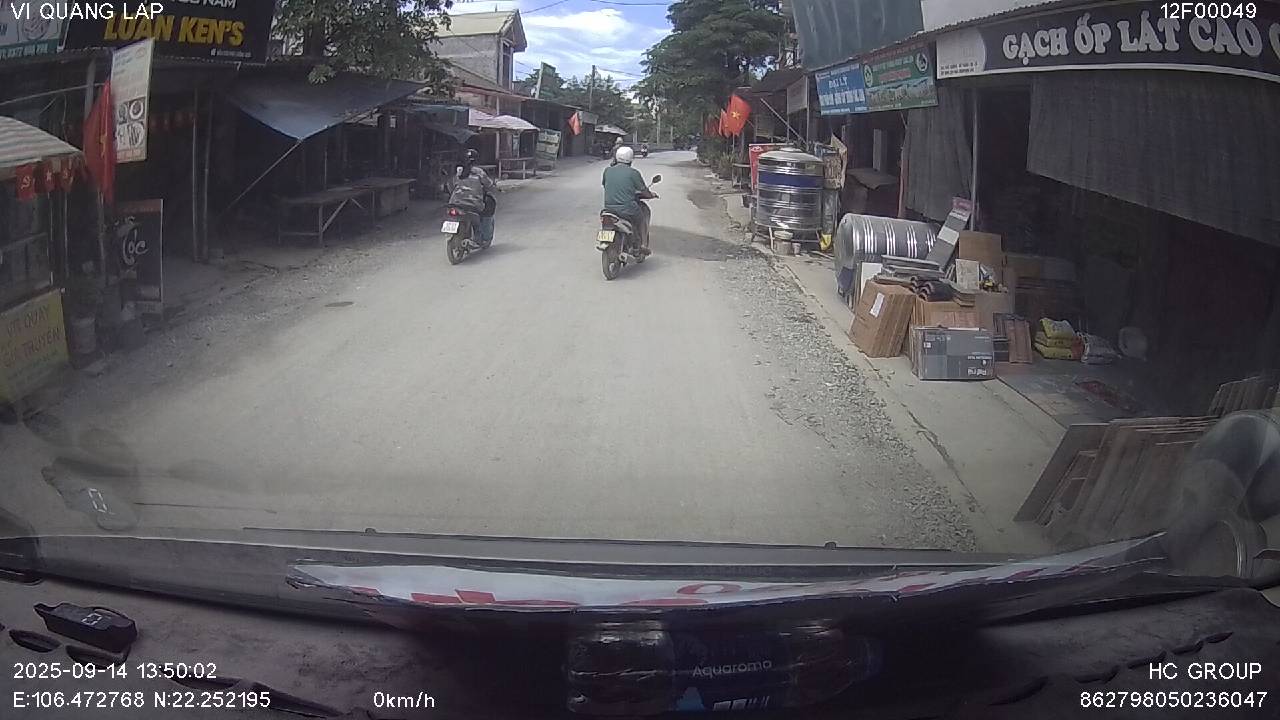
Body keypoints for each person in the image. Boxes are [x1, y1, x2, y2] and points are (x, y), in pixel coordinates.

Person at [601, 146, 656, 256]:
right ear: (631, 159)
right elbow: (644, 191)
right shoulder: (633, 173)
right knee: (641, 220)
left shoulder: (607, 171)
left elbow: (605, 185)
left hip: (608, 208)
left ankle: (605, 240)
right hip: (628, 208)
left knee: (606, 222)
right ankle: (643, 245)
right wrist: (651, 195)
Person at [448, 149, 496, 247]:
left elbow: (450, 186)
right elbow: (489, 185)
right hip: (473, 203)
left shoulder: (458, 172)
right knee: (487, 210)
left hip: (455, 202)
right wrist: (494, 188)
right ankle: (482, 238)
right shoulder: (479, 172)